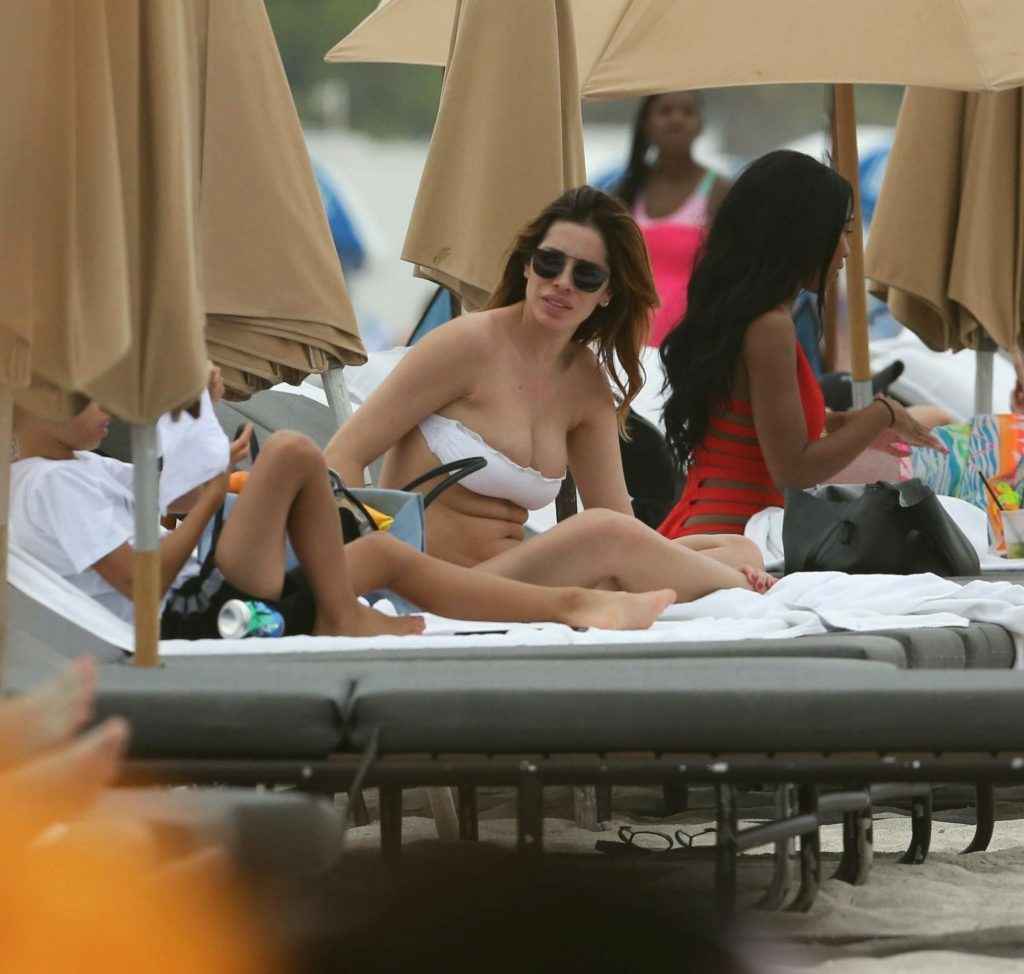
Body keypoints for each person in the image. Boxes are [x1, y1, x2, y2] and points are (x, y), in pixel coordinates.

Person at [324, 186, 774, 600]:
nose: (562, 282)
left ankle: (735, 576)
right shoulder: (464, 346)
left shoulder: (584, 384)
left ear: (607, 293)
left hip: (515, 579)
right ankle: (747, 590)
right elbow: (343, 454)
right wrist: (359, 569)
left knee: (738, 547)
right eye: (549, 263)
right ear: (526, 266)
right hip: (432, 583)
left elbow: (620, 519)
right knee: (606, 536)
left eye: (586, 275)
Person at [11, 401, 678, 638]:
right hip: (195, 616)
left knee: (383, 554)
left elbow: (171, 502)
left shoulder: (78, 465)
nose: (104, 405)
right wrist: (214, 496)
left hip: (214, 589)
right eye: (83, 395)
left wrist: (201, 430)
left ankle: (575, 604)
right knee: (293, 453)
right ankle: (340, 615)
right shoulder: (48, 484)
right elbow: (145, 580)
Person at [658, 150, 947, 540]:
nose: (846, 250)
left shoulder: (741, 317)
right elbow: (794, 470)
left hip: (705, 525)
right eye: (839, 232)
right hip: (736, 533)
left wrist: (840, 423)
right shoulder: (770, 328)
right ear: (800, 235)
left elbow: (746, 426)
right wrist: (882, 414)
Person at [614, 91, 730, 347]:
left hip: (693, 339)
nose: (677, 120)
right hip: (627, 336)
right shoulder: (626, 191)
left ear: (701, 124)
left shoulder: (720, 191)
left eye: (687, 112)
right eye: (665, 111)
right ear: (645, 123)